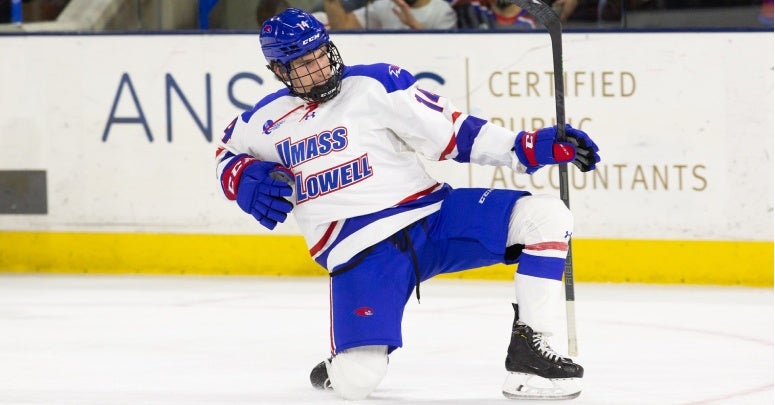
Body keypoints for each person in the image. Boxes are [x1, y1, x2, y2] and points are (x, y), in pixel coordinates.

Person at [215, 8, 599, 401]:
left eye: (321, 54)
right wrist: (242, 177)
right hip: (360, 254)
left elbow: (454, 132)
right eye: (304, 64)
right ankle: (338, 368)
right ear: (279, 71)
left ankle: (531, 359)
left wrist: (526, 147)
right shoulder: (263, 121)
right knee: (358, 381)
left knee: (545, 217)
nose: (320, 69)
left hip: (433, 218)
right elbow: (225, 154)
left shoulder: (374, 83)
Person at [320, 0, 456, 30]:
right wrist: (331, 2)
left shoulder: (442, 10)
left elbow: (442, 51)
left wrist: (413, 24)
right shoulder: (384, 5)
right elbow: (344, 27)